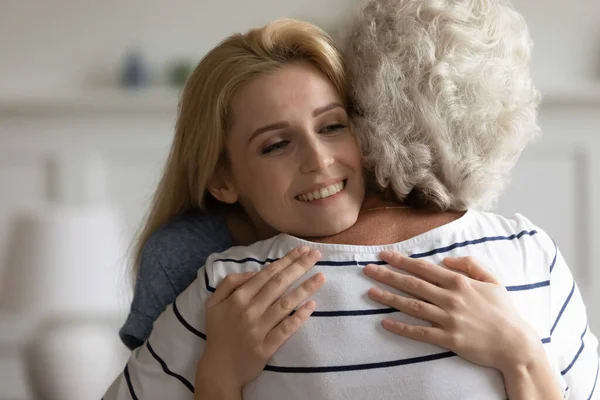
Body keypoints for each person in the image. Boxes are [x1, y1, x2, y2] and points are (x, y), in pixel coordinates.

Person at [103, 1, 599, 398]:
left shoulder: (527, 258)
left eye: (333, 126)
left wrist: (522, 354)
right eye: (276, 144)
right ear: (222, 180)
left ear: (369, 124)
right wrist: (219, 377)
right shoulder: (221, 292)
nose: (318, 160)